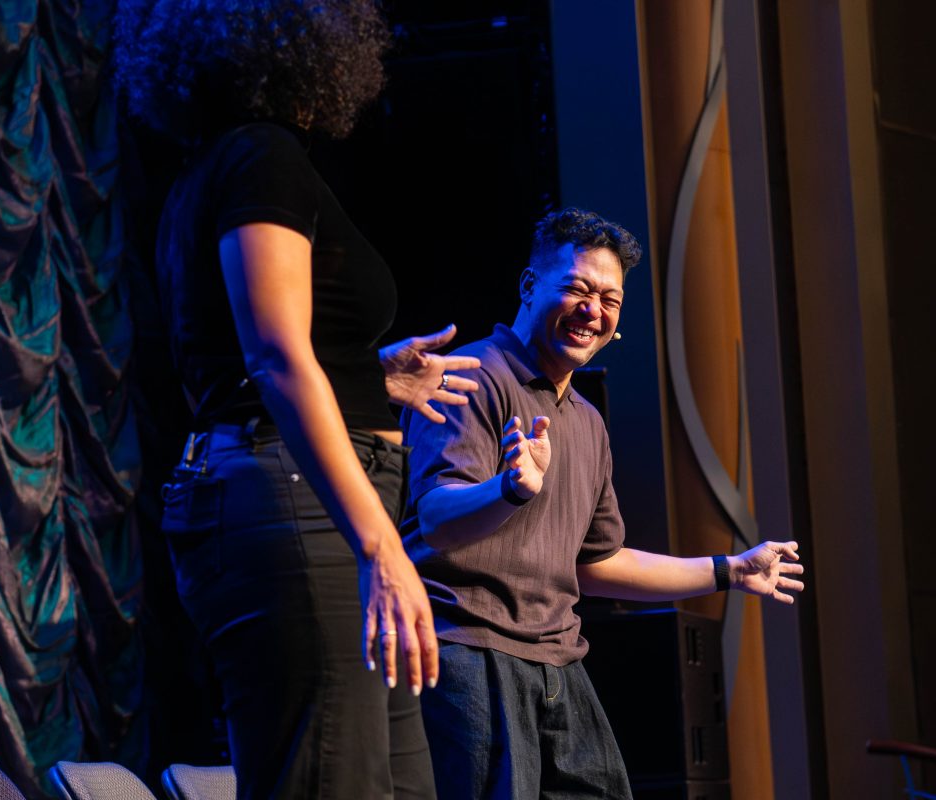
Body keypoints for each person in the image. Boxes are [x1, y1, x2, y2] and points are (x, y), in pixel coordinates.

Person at [113, 2, 479, 797]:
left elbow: (243, 356)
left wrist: (368, 377)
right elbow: (274, 357)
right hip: (295, 503)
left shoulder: (215, 168)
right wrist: (380, 546)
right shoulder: (259, 156)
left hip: (294, 493)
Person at [399, 208, 806, 799]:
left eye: (609, 299)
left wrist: (729, 571)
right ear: (529, 286)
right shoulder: (473, 377)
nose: (593, 310)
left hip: (557, 660)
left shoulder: (586, 421)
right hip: (468, 649)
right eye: (577, 289)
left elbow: (597, 564)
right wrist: (509, 489)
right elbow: (436, 519)